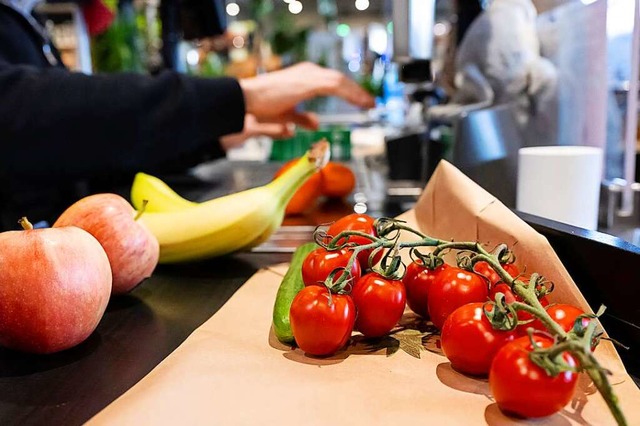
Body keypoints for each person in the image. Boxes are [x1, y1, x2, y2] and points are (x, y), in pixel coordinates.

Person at [0, 0, 375, 230]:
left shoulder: (25, 25)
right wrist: (237, 97)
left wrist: (218, 134)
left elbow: (78, 149)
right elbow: (23, 113)